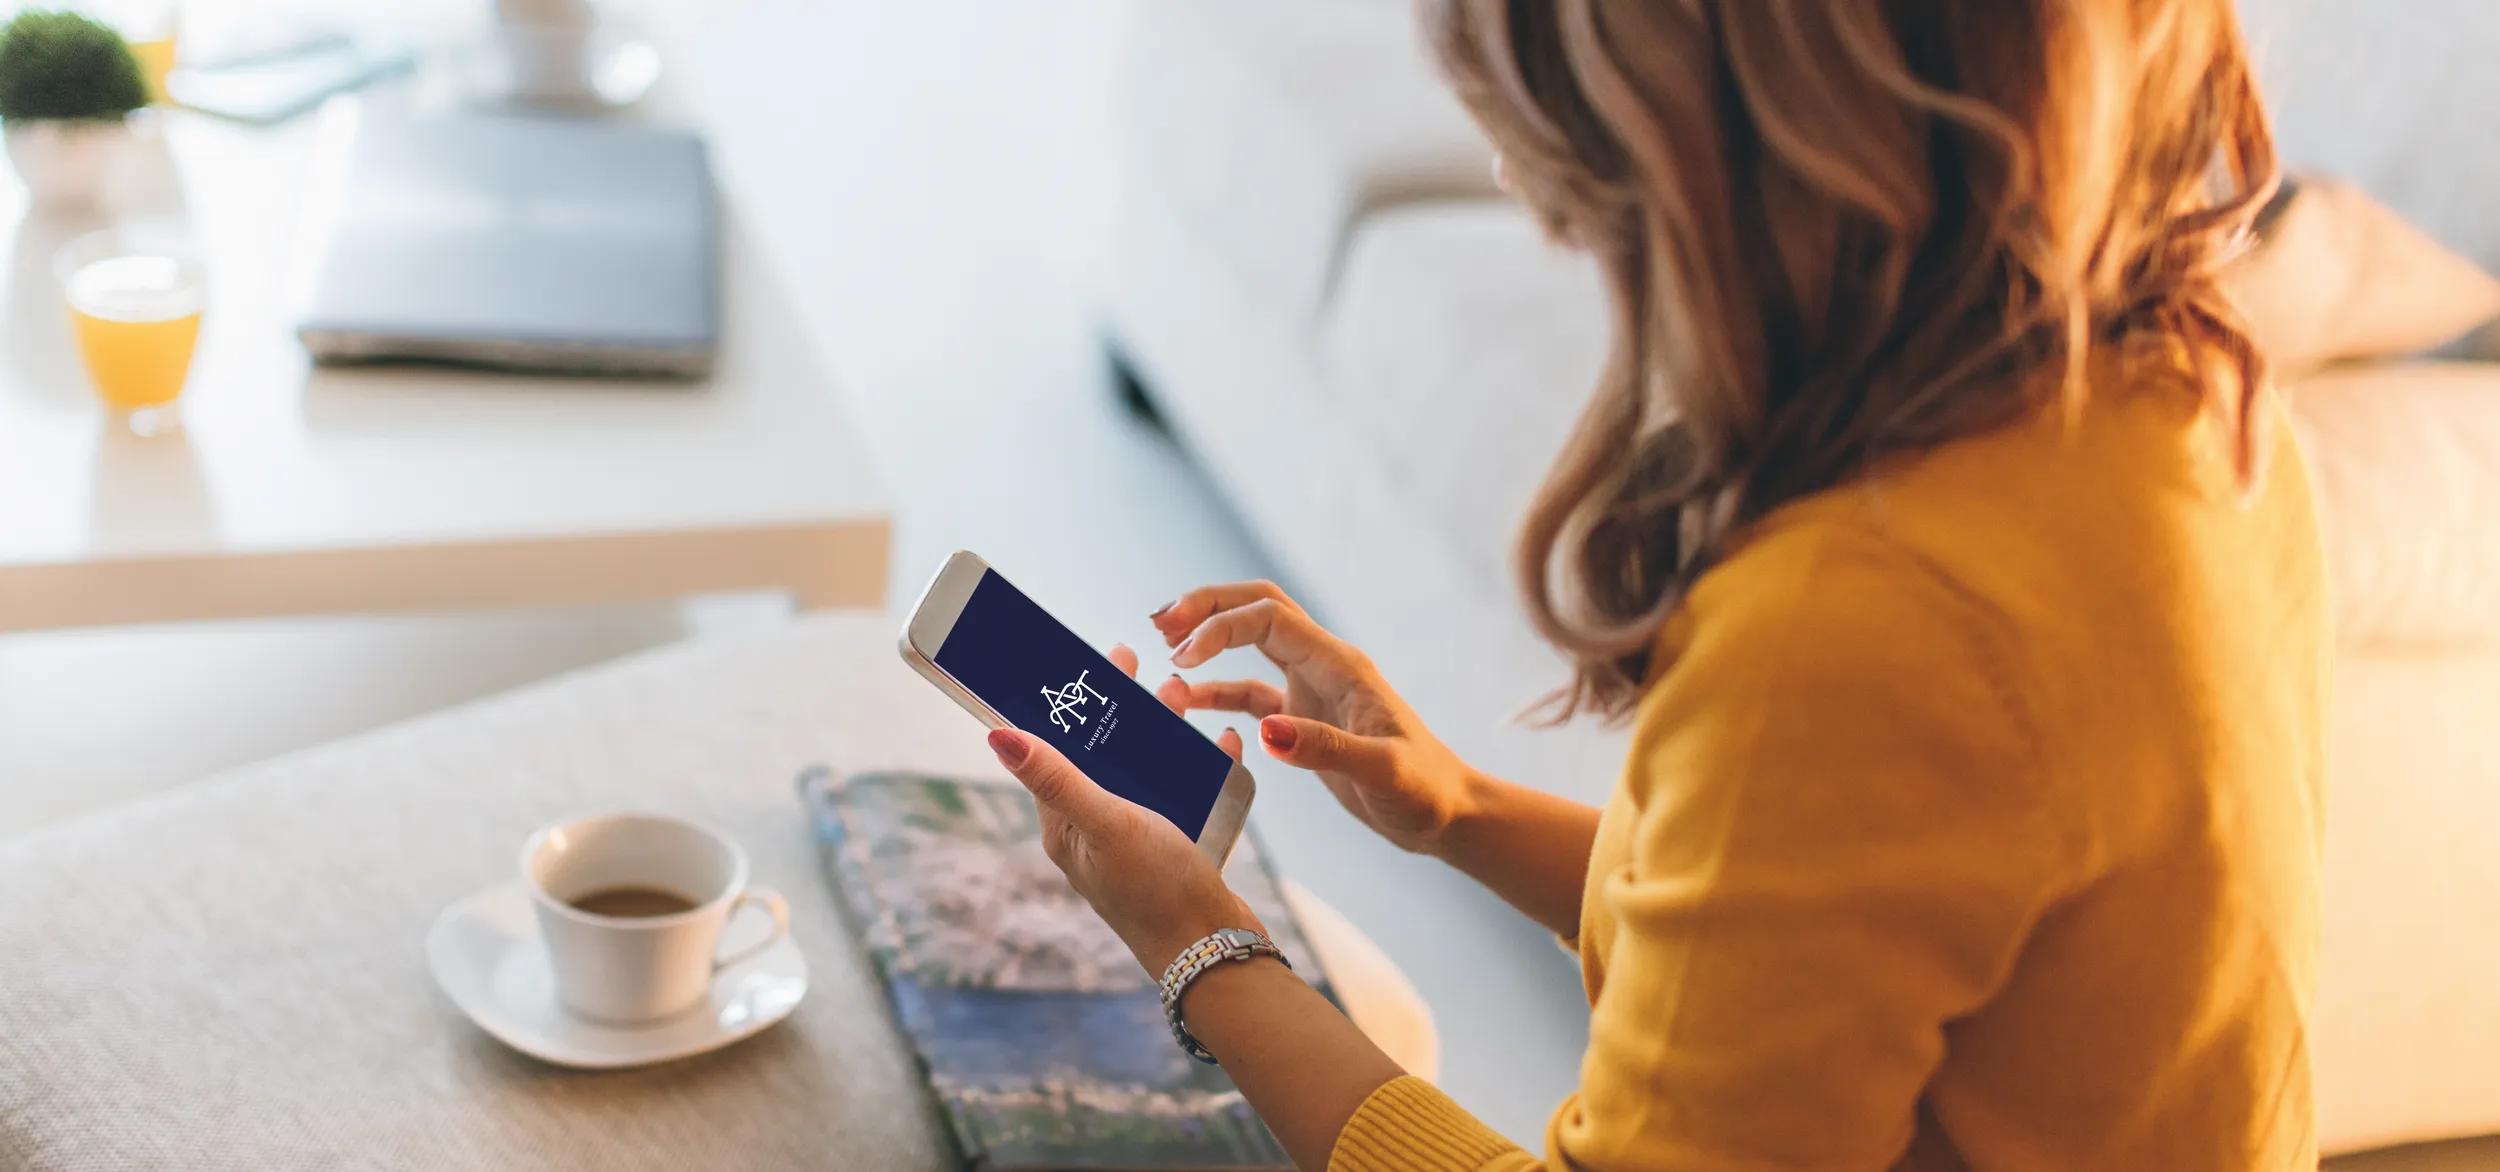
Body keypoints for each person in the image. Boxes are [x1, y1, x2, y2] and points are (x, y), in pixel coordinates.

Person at [981, 1, 2367, 1167]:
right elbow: (1832, 949)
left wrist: (1203, 952)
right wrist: (1458, 810)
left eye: (1583, 158)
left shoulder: (1860, 623)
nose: (1530, 198)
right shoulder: (2190, 407)